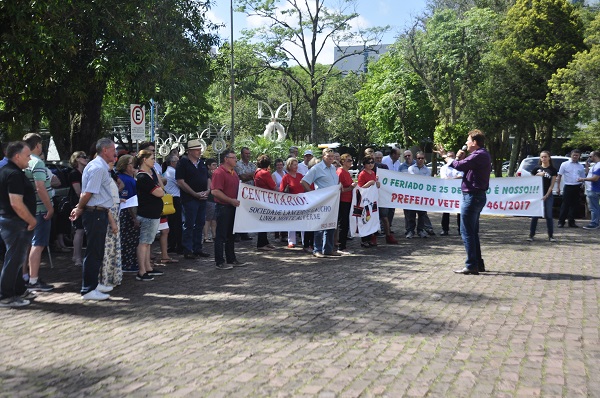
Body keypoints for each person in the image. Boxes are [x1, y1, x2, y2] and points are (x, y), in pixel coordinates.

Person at [70, 138, 117, 300]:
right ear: (105, 150)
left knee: (96, 251)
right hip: (95, 213)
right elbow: (88, 193)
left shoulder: (97, 166)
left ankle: (93, 284)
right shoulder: (98, 168)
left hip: (98, 212)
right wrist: (79, 208)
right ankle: (88, 289)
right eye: (113, 150)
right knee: (93, 251)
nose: (115, 153)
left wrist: (79, 207)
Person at [0, 142, 37, 307]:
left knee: (16, 259)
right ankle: (5, 296)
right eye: (28, 155)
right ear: (17, 156)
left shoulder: (7, 171)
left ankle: (18, 290)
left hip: (12, 221)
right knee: (14, 260)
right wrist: (31, 220)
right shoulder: (13, 174)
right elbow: (16, 203)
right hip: (15, 223)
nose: (30, 159)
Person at [451, 129, 491, 275]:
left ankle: (471, 265)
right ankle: (477, 264)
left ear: (474, 142)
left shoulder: (479, 155)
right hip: (475, 197)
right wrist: (459, 158)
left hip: (472, 197)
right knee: (472, 232)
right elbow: (464, 165)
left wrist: (448, 158)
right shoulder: (479, 155)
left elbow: (459, 166)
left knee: (466, 232)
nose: (466, 143)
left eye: (468, 140)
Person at [22, 133, 55, 292]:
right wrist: (50, 208)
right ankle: (34, 280)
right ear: (38, 146)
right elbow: (40, 187)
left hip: (27, 209)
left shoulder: (22, 162)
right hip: (40, 209)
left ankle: (25, 276)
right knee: (38, 244)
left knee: (28, 244)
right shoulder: (37, 162)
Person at [301, 148, 341, 257]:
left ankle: (328, 249)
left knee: (331, 225)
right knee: (319, 226)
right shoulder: (317, 168)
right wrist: (313, 194)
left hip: (332, 201)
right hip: (321, 201)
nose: (331, 158)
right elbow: (304, 181)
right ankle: (317, 250)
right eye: (328, 156)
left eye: (332, 156)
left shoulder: (333, 168)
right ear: (323, 157)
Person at [176, 139, 211, 259]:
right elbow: (180, 182)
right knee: (189, 224)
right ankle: (188, 249)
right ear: (190, 151)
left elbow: (208, 178)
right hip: (190, 199)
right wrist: (194, 194)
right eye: (197, 150)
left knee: (200, 223)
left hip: (202, 197)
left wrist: (207, 190)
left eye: (199, 149)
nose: (199, 151)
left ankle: (197, 248)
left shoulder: (201, 163)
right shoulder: (183, 163)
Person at [134, 150, 165, 281]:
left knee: (148, 242)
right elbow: (159, 192)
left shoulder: (150, 175)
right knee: (144, 242)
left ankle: (148, 267)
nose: (154, 161)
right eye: (152, 158)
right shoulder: (142, 177)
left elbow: (161, 187)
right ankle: (141, 271)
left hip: (153, 213)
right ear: (144, 160)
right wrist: (159, 189)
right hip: (147, 214)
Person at [211, 150, 244, 270]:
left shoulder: (233, 172)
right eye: (233, 157)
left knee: (231, 234)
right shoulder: (219, 173)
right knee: (221, 235)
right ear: (226, 159)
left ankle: (231, 259)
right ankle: (219, 261)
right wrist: (230, 200)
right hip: (224, 207)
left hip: (233, 207)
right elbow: (215, 191)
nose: (236, 159)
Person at [97, 156, 122, 292]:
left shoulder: (108, 175)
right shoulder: (102, 175)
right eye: (110, 160)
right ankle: (105, 279)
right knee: (108, 249)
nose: (113, 162)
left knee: (113, 248)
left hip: (114, 211)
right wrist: (112, 222)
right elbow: (103, 201)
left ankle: (112, 277)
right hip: (109, 214)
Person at [116, 155, 140, 273]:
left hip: (126, 210)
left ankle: (130, 262)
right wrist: (134, 218)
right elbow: (130, 200)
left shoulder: (128, 178)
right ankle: (128, 263)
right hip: (127, 212)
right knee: (129, 239)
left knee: (130, 239)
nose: (133, 166)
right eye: (131, 164)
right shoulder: (126, 180)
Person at [527, 151, 558, 242]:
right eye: (542, 157)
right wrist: (537, 175)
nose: (543, 159)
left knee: (549, 215)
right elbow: (530, 181)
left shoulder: (552, 170)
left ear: (549, 158)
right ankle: (531, 235)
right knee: (535, 216)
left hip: (547, 194)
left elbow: (552, 185)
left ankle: (551, 236)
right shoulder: (536, 168)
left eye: (545, 157)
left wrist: (547, 195)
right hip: (537, 195)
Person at [408, 151, 435, 238]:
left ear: (424, 159)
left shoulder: (427, 170)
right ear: (416, 159)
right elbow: (413, 179)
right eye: (418, 158)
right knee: (411, 214)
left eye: (422, 158)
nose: (420, 160)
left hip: (422, 196)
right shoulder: (411, 168)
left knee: (422, 214)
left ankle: (420, 230)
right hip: (412, 195)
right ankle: (410, 231)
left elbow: (426, 181)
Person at [556, 149, 585, 228]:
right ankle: (561, 222)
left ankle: (571, 222)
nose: (575, 156)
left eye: (577, 155)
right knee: (565, 204)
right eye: (574, 155)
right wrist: (558, 187)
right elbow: (559, 176)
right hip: (568, 186)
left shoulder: (581, 166)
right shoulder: (564, 164)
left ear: (579, 156)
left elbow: (583, 177)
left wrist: (582, 184)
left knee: (574, 205)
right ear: (571, 155)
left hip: (577, 186)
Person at [280, 157, 304, 248]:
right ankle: (291, 241)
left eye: (297, 164)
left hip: (301, 202)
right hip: (291, 203)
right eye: (294, 165)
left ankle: (304, 240)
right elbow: (282, 191)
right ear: (289, 166)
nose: (296, 166)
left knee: (303, 221)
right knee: (292, 221)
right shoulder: (286, 177)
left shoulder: (300, 176)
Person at [254, 154, 277, 251]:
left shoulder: (257, 172)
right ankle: (261, 243)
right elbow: (273, 186)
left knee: (264, 220)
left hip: (260, 198)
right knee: (264, 221)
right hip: (266, 199)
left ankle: (265, 241)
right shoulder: (265, 173)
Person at [357, 155, 380, 248]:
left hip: (372, 199)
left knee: (371, 218)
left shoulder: (373, 173)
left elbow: (374, 184)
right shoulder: (362, 174)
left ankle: (370, 238)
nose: (371, 165)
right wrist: (370, 183)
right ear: (364, 164)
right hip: (365, 199)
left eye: (372, 162)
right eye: (368, 163)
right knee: (365, 218)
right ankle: (364, 240)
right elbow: (360, 187)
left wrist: (377, 184)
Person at [336, 154, 357, 254]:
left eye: (351, 160)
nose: (350, 162)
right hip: (342, 200)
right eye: (348, 160)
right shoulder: (340, 172)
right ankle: (341, 246)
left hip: (348, 200)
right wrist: (351, 188)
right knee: (343, 223)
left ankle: (343, 245)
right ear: (343, 161)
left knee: (345, 223)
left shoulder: (347, 172)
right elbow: (338, 189)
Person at [163, 153, 183, 254]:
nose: (179, 163)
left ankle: (173, 244)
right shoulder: (172, 172)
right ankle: (176, 245)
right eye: (177, 161)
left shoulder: (171, 171)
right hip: (174, 198)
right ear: (172, 162)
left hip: (173, 198)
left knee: (173, 222)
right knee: (176, 223)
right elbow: (181, 183)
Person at [234, 147, 256, 242]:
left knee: (246, 213)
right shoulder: (237, 164)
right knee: (238, 213)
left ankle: (244, 233)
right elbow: (242, 177)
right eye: (246, 153)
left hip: (250, 192)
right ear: (241, 154)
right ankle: (236, 234)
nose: (248, 155)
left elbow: (256, 175)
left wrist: (249, 175)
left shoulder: (252, 164)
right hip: (240, 192)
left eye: (249, 153)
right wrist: (251, 175)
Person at [439, 151, 463, 235]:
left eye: (452, 156)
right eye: (449, 156)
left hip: (458, 192)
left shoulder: (459, 166)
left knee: (460, 211)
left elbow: (461, 176)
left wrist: (451, 179)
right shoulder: (443, 168)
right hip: (447, 192)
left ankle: (461, 229)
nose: (451, 158)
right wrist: (454, 178)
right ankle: (445, 229)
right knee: (446, 211)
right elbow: (444, 178)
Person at [579, 150, 600, 230]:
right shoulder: (596, 165)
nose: (589, 158)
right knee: (596, 207)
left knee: (594, 208)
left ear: (595, 156)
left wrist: (583, 179)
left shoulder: (598, 166)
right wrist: (587, 167)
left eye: (590, 156)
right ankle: (596, 222)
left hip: (594, 189)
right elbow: (590, 174)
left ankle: (594, 223)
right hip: (593, 189)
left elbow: (595, 178)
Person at [203, 158, 218, 243]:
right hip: (209, 199)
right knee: (208, 219)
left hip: (215, 199)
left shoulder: (215, 174)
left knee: (214, 219)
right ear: (208, 166)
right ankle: (206, 236)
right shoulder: (208, 176)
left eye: (216, 165)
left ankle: (214, 235)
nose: (215, 167)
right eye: (213, 165)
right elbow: (210, 187)